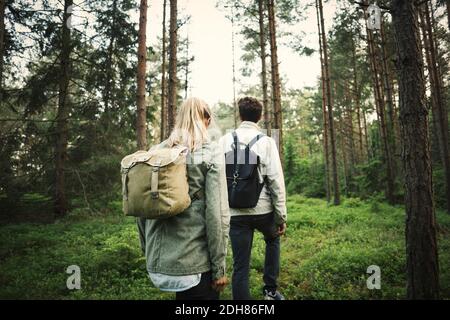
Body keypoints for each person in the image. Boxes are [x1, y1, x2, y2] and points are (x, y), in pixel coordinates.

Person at [137, 97, 230, 300]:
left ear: (180, 119)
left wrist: (147, 248)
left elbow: (141, 206)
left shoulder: (156, 151)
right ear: (206, 120)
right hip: (194, 265)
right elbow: (217, 215)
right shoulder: (211, 152)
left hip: (158, 263)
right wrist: (219, 267)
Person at [219, 97, 287, 300]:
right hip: (263, 211)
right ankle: (270, 291)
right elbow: (276, 181)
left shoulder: (225, 140)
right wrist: (281, 216)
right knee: (272, 239)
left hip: (235, 214)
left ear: (240, 115)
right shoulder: (266, 142)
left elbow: (218, 180)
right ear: (260, 117)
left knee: (241, 264)